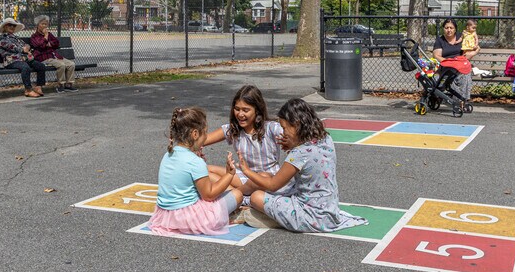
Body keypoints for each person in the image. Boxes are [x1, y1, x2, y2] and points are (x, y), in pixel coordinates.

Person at [237, 98, 367, 233]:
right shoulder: (326, 139)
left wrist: (246, 170)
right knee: (264, 179)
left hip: (310, 215)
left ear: (297, 125)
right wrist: (293, 145)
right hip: (329, 210)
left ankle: (240, 202)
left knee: (256, 196)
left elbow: (272, 185)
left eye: (285, 127)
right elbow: (310, 157)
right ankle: (245, 201)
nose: (283, 132)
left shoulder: (300, 153)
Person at [148, 107, 243, 236]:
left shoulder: (169, 154)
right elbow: (209, 195)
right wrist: (229, 174)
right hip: (190, 219)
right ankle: (226, 217)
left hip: (167, 216)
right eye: (205, 133)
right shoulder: (195, 162)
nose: (206, 137)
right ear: (195, 134)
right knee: (237, 194)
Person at [204, 85, 285, 204]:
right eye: (237, 109)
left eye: (245, 110)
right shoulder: (233, 129)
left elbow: (293, 134)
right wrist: (193, 149)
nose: (240, 114)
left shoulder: (270, 128)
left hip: (268, 179)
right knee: (205, 170)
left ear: (257, 110)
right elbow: (201, 140)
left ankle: (235, 196)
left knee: (261, 177)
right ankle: (238, 195)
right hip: (245, 177)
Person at [433, 18, 480, 105]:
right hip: (446, 66)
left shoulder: (462, 38)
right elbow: (437, 55)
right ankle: (457, 101)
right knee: (449, 76)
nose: (449, 30)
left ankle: (462, 100)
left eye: (451, 28)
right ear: (443, 28)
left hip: (460, 64)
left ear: (455, 29)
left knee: (466, 74)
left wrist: (475, 52)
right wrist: (449, 62)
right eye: (446, 28)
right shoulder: (440, 40)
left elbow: (467, 54)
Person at [0, 18, 46, 98]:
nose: (12, 27)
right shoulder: (2, 38)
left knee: (40, 66)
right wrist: (23, 49)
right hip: (11, 61)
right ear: (5, 27)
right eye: (10, 25)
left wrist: (27, 46)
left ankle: (38, 87)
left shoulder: (16, 38)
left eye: (14, 25)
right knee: (25, 67)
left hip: (24, 59)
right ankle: (28, 90)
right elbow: (11, 47)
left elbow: (26, 45)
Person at [30, 15, 78, 93]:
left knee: (71, 64)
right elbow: (41, 46)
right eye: (42, 24)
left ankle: (68, 85)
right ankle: (60, 85)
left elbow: (56, 43)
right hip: (44, 57)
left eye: (46, 24)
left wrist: (49, 43)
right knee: (61, 65)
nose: (45, 26)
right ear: (37, 25)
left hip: (54, 56)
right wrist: (46, 37)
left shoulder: (50, 34)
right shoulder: (34, 36)